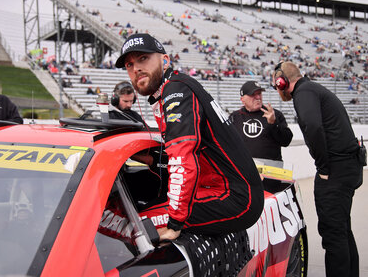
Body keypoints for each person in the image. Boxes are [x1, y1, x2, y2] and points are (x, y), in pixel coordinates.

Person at [115, 33, 264, 241]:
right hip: (230, 189)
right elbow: (185, 154)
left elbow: (181, 159)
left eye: (143, 59)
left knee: (134, 222)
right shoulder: (176, 86)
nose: (136, 68)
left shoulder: (176, 90)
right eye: (129, 65)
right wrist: (147, 157)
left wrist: (175, 223)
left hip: (235, 197)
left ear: (165, 60)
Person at [272, 61, 364, 277]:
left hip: (336, 170)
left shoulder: (303, 93)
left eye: (276, 86)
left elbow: (313, 126)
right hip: (348, 166)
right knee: (342, 231)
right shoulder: (313, 89)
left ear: (281, 82)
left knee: (333, 234)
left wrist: (323, 166)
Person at [229, 81, 293, 161]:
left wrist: (273, 123)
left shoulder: (274, 114)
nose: (258, 97)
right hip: (245, 169)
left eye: (259, 94)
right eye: (253, 95)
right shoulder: (234, 117)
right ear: (242, 99)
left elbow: (286, 141)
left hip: (271, 170)